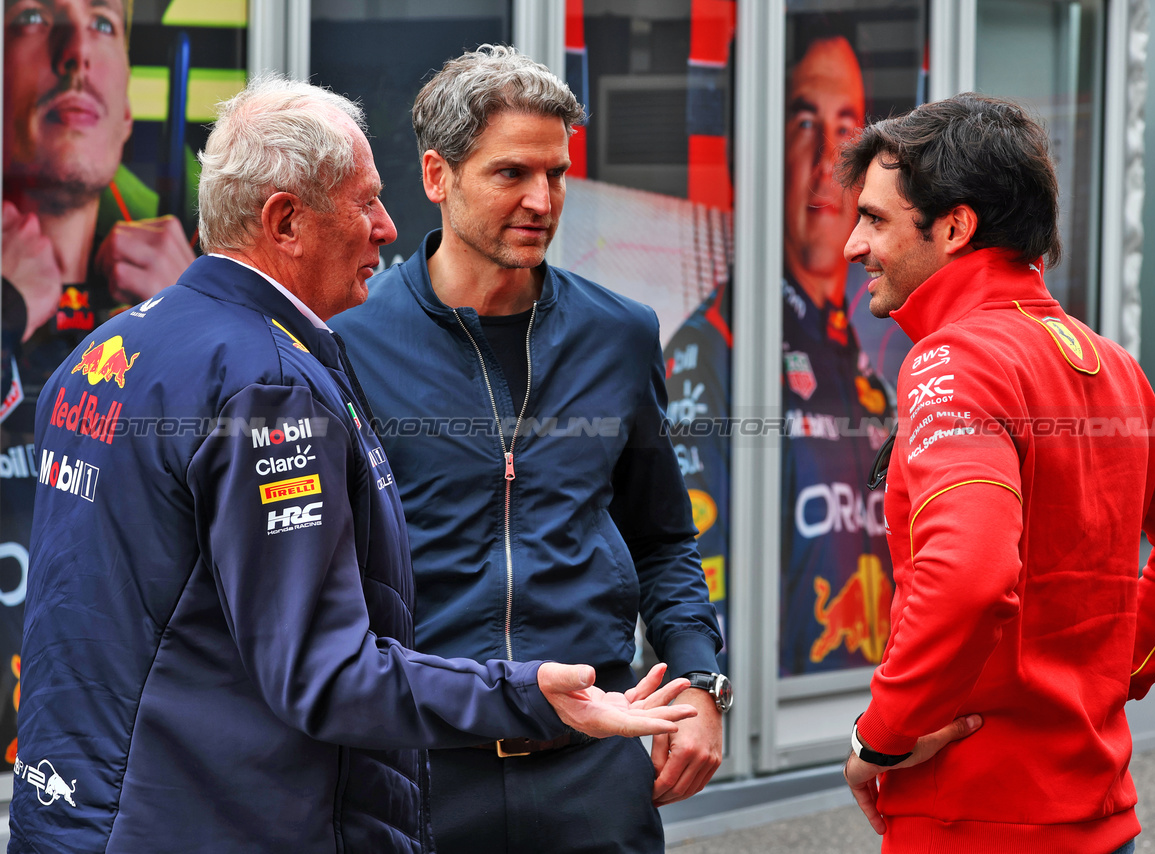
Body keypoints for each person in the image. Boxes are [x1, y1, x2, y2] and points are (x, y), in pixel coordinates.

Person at [8, 75, 699, 854]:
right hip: (209, 816)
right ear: (286, 221)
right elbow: (324, 672)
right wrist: (534, 695)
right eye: (365, 201)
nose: (385, 225)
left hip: (81, 815)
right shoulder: (270, 382)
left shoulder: (104, 349)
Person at [836, 93, 1155, 853]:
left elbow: (969, 575)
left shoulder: (954, 360)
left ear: (955, 227)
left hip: (975, 818)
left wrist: (882, 735)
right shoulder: (1113, 367)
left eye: (874, 219)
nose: (851, 246)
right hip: (1097, 814)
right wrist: (1100, 672)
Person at [329, 45, 725, 853]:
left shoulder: (620, 334)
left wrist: (699, 680)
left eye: (557, 174)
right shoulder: (349, 347)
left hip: (593, 765)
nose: (542, 200)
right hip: (425, 769)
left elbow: (662, 538)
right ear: (439, 176)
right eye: (512, 173)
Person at [1, 0, 199, 753]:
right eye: (31, 19)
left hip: (129, 771)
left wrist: (202, 327)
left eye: (104, 24)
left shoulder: (190, 301)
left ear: (124, 119)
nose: (75, 50)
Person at [665, 33, 892, 678]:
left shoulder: (868, 368)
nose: (827, 159)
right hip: (771, 724)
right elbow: (692, 590)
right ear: (753, 151)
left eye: (847, 128)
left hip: (871, 720)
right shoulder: (710, 351)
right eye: (803, 123)